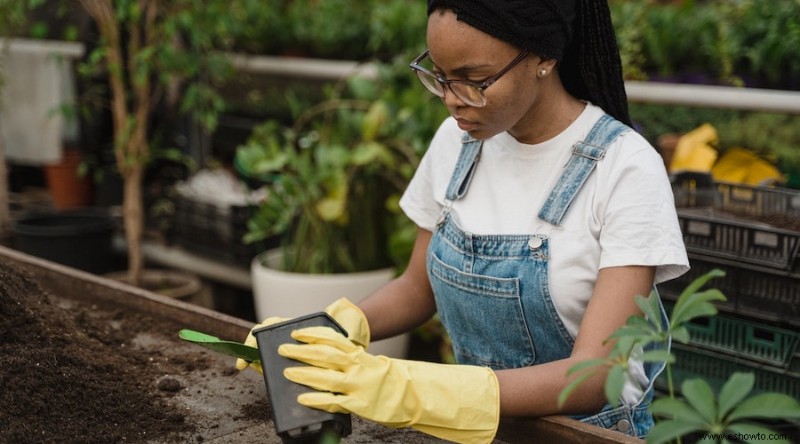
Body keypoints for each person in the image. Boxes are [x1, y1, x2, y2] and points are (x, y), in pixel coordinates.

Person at [237, 1, 689, 442]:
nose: (452, 101)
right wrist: (331, 327)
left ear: (544, 56)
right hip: (473, 430)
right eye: (440, 77)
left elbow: (595, 374)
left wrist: (411, 389)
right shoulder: (458, 144)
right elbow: (418, 288)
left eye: (474, 80)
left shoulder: (624, 168)